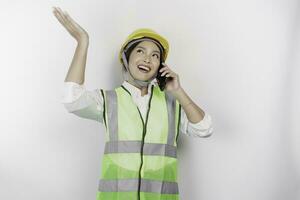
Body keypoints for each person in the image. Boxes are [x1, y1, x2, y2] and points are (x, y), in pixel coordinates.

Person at [53, 6, 214, 200]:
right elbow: (72, 99)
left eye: (155, 55)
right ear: (125, 58)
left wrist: (178, 91)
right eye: (140, 51)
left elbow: (205, 128)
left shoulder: (172, 104)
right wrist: (82, 42)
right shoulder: (108, 101)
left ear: (160, 67)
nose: (148, 58)